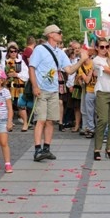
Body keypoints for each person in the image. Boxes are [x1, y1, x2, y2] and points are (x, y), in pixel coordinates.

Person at [29, 24, 87, 162]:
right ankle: (37, 150)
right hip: (41, 90)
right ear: (51, 35)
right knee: (41, 120)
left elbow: (69, 70)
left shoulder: (60, 53)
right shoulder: (39, 49)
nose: (61, 34)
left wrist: (82, 61)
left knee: (51, 121)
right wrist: (35, 86)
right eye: (59, 32)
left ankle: (47, 148)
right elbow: (32, 68)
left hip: (53, 90)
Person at [92, 38, 110, 160]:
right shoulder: (96, 60)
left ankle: (109, 149)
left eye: (106, 46)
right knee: (103, 120)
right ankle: (97, 149)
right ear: (97, 48)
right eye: (102, 47)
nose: (105, 49)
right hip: (103, 91)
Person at [4, 43, 29, 132]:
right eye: (11, 51)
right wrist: (6, 76)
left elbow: (26, 75)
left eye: (15, 51)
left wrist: (17, 74)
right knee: (8, 106)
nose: (14, 53)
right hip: (8, 87)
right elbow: (0, 74)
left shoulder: (21, 62)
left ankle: (25, 123)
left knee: (21, 105)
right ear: (8, 53)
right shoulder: (5, 62)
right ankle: (9, 123)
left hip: (19, 87)